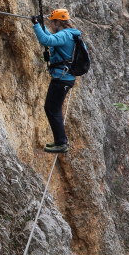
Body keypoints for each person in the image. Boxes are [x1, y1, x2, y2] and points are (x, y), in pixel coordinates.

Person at [30, 9, 82, 153]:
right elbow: (52, 38)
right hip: (64, 78)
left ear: (57, 22)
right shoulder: (68, 34)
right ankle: (60, 141)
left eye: (52, 22)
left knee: (52, 109)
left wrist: (36, 25)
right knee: (52, 109)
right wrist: (41, 26)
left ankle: (61, 143)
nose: (51, 25)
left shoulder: (65, 35)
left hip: (62, 79)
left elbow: (46, 40)